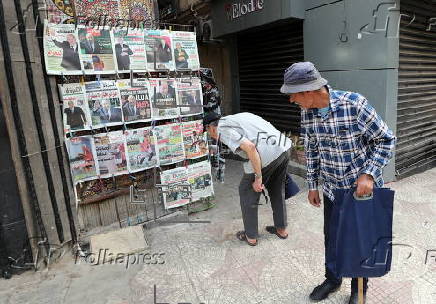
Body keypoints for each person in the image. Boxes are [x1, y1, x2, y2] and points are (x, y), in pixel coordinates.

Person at [280, 62, 396, 304]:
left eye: (293, 95)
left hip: (361, 192)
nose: (291, 101)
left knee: (360, 240)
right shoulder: (307, 112)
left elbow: (386, 140)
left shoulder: (354, 104)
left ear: (309, 91)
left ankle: (358, 289)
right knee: (332, 237)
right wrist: (312, 184)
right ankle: (333, 279)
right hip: (332, 190)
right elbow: (311, 149)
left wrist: (369, 174)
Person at [204, 112, 293, 246]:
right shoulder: (238, 118)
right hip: (284, 148)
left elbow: (250, 148)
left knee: (246, 189)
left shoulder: (221, 128)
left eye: (207, 131)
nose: (210, 134)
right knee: (276, 190)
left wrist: (258, 177)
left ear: (210, 127)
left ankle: (251, 236)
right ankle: (281, 229)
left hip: (267, 155)